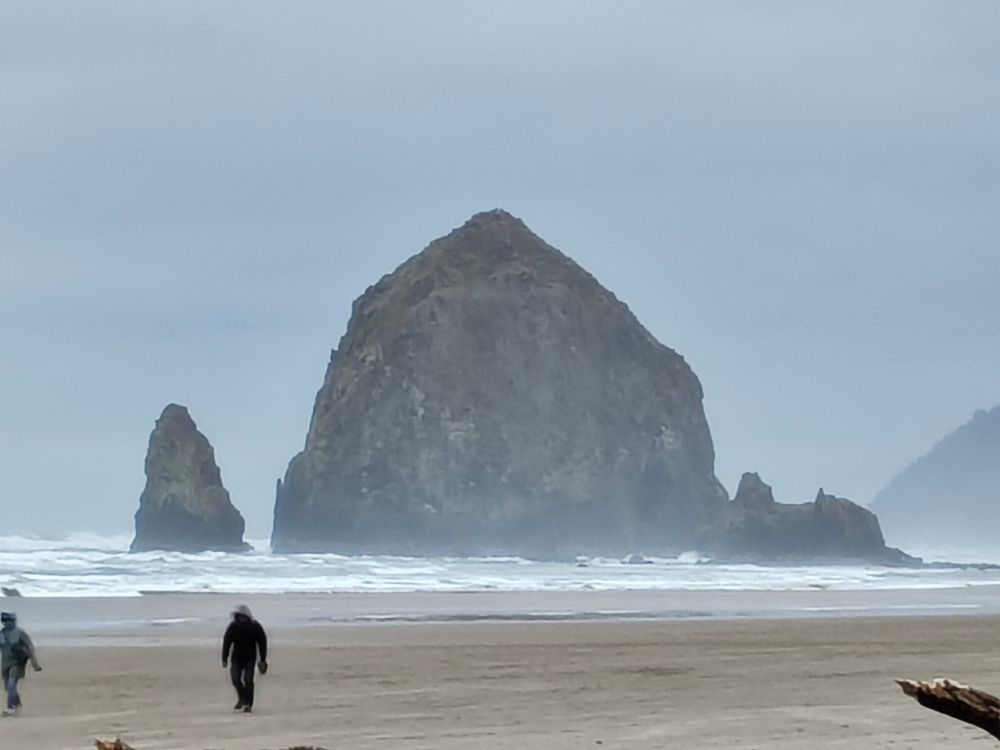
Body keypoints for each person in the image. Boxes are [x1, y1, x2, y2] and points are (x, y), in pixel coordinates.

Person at [221, 604, 268, 713]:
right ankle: (242, 698)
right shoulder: (233, 627)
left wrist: (263, 659)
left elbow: (262, 643)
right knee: (235, 679)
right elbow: (226, 642)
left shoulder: (255, 627)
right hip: (236, 658)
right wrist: (224, 658)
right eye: (239, 616)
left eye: (243, 616)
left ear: (247, 616)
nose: (241, 618)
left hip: (250, 659)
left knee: (248, 680)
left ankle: (249, 704)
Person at [0, 611, 41, 716]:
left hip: (17, 663)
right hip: (5, 663)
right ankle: (17, 704)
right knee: (7, 687)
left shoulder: (20, 633)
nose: (7, 623)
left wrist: (34, 663)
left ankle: (11, 707)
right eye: (5, 621)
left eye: (9, 621)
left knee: (11, 684)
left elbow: (30, 647)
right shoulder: (2, 633)